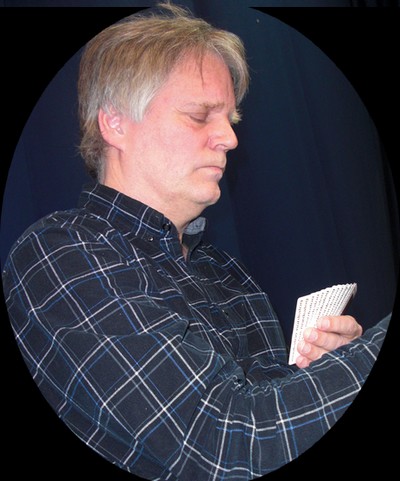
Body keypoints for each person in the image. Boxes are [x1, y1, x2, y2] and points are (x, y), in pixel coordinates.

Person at [2, 3, 390, 480]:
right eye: (200, 115)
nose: (229, 138)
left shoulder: (226, 274)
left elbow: (269, 427)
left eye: (230, 119)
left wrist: (326, 371)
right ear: (115, 122)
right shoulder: (60, 254)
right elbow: (225, 445)